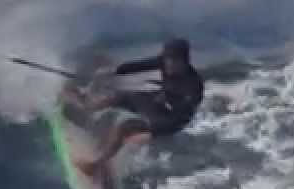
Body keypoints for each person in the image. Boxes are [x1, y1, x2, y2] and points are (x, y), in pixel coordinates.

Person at [70, 37, 204, 180]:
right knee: (121, 97)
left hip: (169, 119)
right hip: (158, 102)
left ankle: (94, 167)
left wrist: (152, 133)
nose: (169, 64)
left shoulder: (193, 86)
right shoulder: (164, 62)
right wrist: (115, 71)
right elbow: (139, 66)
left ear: (185, 61)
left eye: (174, 61)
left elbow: (181, 119)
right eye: (167, 59)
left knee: (126, 127)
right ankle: (85, 111)